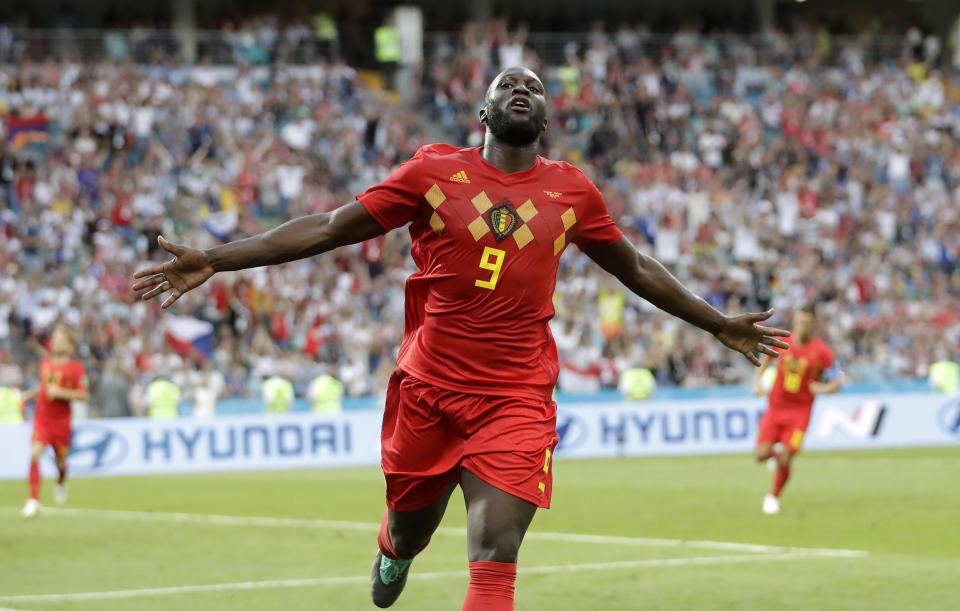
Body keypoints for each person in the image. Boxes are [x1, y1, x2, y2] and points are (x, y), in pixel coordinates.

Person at [133, 66, 789, 611]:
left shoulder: (571, 192)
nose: (521, 89)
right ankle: (395, 548)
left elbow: (637, 267)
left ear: (546, 121)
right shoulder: (432, 172)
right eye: (507, 84)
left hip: (516, 399)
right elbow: (332, 226)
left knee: (496, 549)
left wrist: (715, 321)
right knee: (412, 526)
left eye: (532, 85)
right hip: (428, 391)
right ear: (483, 109)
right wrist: (219, 258)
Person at [752, 304, 842, 515]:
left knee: (786, 456)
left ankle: (773, 496)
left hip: (800, 412)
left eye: (807, 322)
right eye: (799, 321)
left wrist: (823, 388)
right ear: (795, 321)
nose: (802, 326)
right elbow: (765, 360)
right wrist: (757, 382)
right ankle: (773, 458)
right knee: (760, 455)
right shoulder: (782, 342)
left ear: (813, 324)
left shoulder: (822, 352)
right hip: (775, 407)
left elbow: (837, 381)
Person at [21, 325, 88, 518]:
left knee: (60, 463)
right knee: (34, 454)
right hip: (42, 419)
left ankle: (61, 480)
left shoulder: (76, 368)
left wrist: (61, 393)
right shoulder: (45, 364)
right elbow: (44, 387)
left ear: (69, 345)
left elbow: (83, 395)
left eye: (60, 339)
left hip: (61, 423)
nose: (55, 341)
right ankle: (33, 500)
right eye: (54, 338)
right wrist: (28, 395)